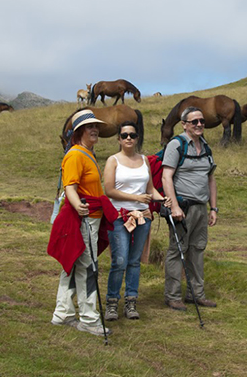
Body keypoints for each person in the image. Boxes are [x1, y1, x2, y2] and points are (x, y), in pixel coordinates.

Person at [48, 109, 119, 337]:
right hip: (85, 217)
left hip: (91, 217)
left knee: (74, 264)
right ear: (79, 131)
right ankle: (89, 319)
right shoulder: (76, 154)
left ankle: (63, 313)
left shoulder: (86, 153)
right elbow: (70, 185)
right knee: (88, 268)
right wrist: (78, 205)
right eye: (90, 127)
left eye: (96, 126)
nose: (95, 130)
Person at [103, 121, 167, 321]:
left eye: (132, 134)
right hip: (119, 216)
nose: (128, 138)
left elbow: (149, 189)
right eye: (124, 135)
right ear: (119, 139)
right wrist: (136, 199)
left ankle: (131, 302)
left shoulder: (144, 161)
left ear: (138, 138)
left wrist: (162, 198)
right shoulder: (113, 160)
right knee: (120, 260)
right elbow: (109, 190)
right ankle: (112, 302)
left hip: (143, 217)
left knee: (134, 261)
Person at [162, 106, 218, 311]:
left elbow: (210, 179)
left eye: (202, 121)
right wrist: (174, 206)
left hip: (201, 208)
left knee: (197, 249)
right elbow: (166, 176)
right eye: (194, 122)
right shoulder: (176, 145)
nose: (199, 125)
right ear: (184, 124)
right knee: (177, 250)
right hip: (182, 208)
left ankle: (196, 294)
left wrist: (213, 208)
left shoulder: (205, 147)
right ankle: (172, 296)